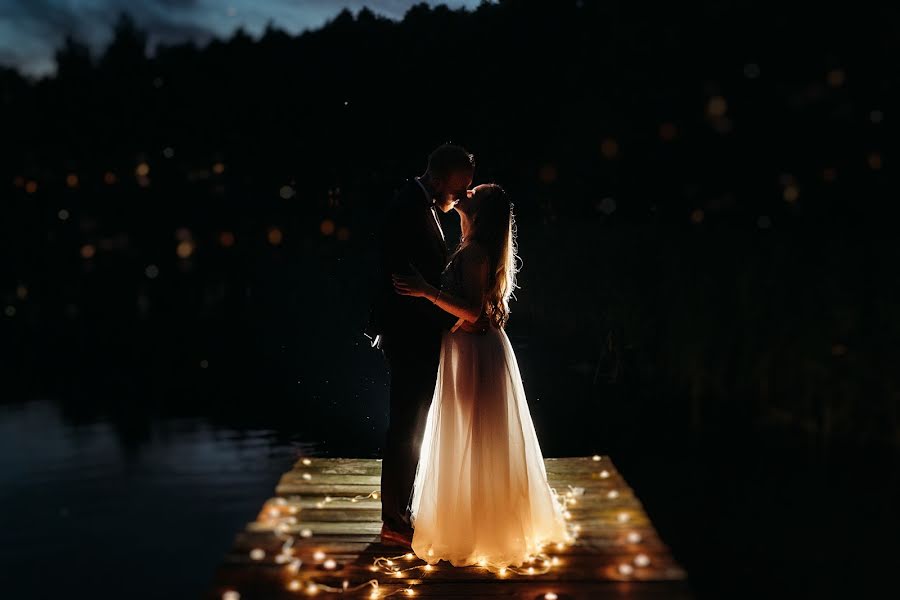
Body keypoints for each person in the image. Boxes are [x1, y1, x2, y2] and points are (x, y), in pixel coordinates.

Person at [392, 183, 571, 570]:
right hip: (471, 350)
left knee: (476, 436)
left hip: (475, 353)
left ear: (483, 210)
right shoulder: (470, 245)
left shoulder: (474, 252)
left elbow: (472, 311)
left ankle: (478, 530)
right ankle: (475, 523)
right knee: (473, 437)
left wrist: (424, 291)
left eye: (475, 192)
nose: (465, 192)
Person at [365, 143, 489, 548]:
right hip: (410, 338)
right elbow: (398, 282)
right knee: (405, 425)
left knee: (412, 423)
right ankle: (394, 521)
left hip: (417, 335)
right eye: (457, 188)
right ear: (437, 179)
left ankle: (401, 513)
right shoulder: (406, 209)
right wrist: (451, 315)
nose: (459, 195)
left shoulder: (421, 205)